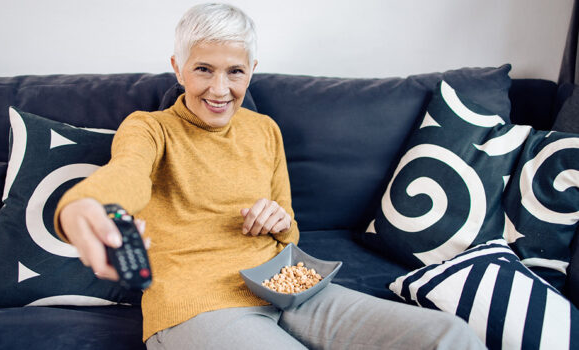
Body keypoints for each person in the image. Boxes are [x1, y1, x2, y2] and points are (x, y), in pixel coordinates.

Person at [55, 3, 485, 349]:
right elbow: (124, 175)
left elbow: (290, 230)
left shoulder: (265, 130)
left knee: (452, 335)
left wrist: (279, 220)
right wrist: (83, 205)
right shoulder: (149, 128)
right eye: (204, 69)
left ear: (251, 70)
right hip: (198, 302)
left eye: (235, 72)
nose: (220, 89)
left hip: (288, 281)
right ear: (178, 67)